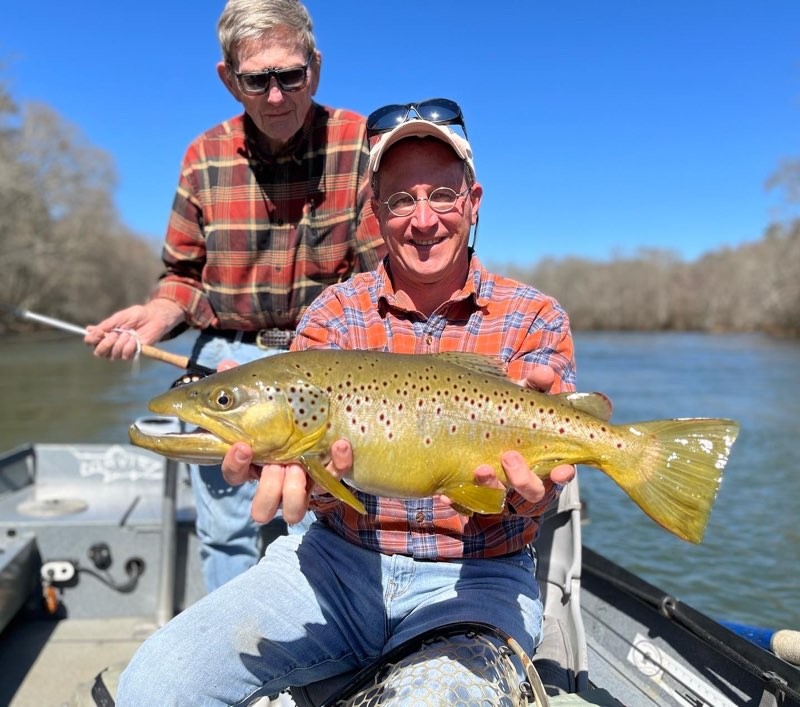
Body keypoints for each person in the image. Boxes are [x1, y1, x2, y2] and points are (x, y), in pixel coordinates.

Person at [115, 100, 577, 706]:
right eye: (399, 200)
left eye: (442, 194)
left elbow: (533, 491)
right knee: (154, 685)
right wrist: (293, 475)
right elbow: (305, 480)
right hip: (333, 567)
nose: (423, 219)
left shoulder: (535, 318)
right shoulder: (332, 314)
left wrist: (530, 486)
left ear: (473, 201)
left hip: (478, 578)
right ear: (375, 212)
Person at [83, 0, 385, 592]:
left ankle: (317, 648)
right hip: (227, 360)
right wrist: (155, 315)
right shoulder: (204, 157)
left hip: (327, 365)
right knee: (226, 527)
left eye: (290, 76)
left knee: (321, 518)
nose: (276, 96)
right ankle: (237, 653)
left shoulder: (357, 144)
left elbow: (378, 281)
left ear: (315, 69)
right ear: (229, 78)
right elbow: (183, 278)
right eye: (256, 80)